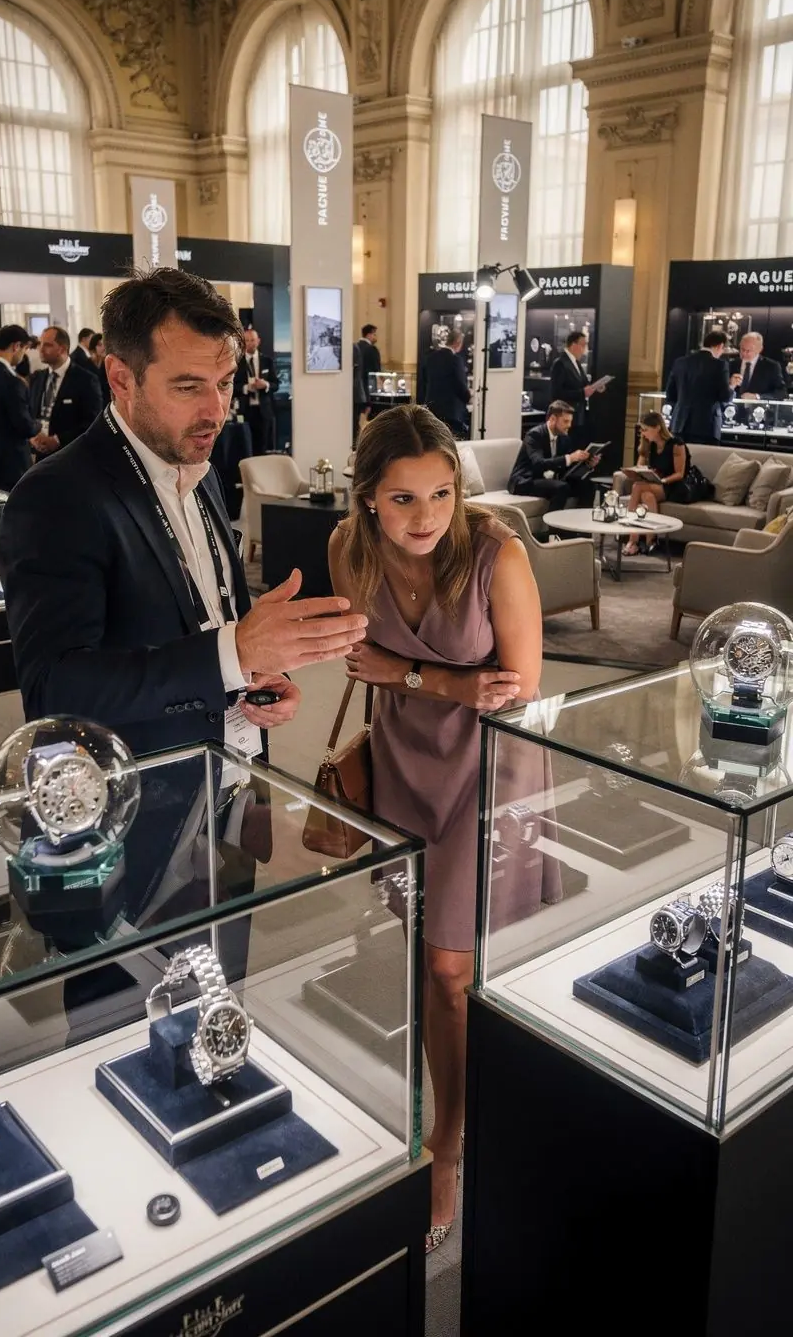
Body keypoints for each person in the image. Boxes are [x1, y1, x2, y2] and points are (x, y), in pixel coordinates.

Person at [328, 404, 542, 1252]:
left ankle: (445, 1150)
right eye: (403, 499)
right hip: (404, 759)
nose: (426, 517)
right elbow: (359, 660)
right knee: (427, 953)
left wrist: (411, 673)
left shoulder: (496, 552)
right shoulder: (348, 550)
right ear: (368, 499)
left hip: (488, 766)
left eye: (442, 494)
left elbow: (518, 685)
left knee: (452, 968)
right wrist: (431, 680)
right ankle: (456, 1098)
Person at [0, 267, 367, 757]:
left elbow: (208, 620)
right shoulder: (56, 496)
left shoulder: (202, 469)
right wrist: (233, 652)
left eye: (225, 383)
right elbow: (54, 689)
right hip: (140, 788)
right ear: (121, 379)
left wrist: (256, 671)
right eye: (188, 387)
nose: (216, 411)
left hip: (236, 769)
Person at [0, 324, 40, 491]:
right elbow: (24, 426)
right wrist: (39, 425)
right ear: (16, 346)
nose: (23, 355)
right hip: (10, 466)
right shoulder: (12, 382)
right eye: (24, 349)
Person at [622, 410, 690, 556]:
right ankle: (650, 541)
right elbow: (640, 466)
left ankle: (633, 540)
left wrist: (662, 481)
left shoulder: (676, 444)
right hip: (655, 485)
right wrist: (637, 471)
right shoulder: (650, 444)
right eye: (642, 430)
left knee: (637, 487)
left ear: (658, 427)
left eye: (646, 430)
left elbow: (679, 474)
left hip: (674, 485)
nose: (643, 433)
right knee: (647, 496)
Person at [508, 400, 598, 511]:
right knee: (561, 487)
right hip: (525, 481)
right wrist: (570, 457)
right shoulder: (534, 435)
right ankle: (552, 522)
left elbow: (566, 466)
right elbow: (539, 463)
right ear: (553, 419)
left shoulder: (564, 438)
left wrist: (587, 464)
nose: (569, 425)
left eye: (570, 422)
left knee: (587, 485)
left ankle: (579, 521)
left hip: (548, 480)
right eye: (565, 421)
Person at [29, 324, 103, 457]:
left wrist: (58, 440)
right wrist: (33, 436)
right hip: (40, 455)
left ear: (62, 349)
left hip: (70, 455)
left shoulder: (86, 380)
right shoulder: (37, 378)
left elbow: (93, 422)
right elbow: (30, 412)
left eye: (47, 345)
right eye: (40, 344)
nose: (41, 349)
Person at [665, 328, 732, 445]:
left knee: (679, 456)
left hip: (679, 424)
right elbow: (725, 397)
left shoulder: (680, 362)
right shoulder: (720, 365)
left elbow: (670, 395)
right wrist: (732, 386)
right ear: (720, 346)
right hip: (707, 426)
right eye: (723, 350)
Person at [548, 331, 608, 430]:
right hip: (565, 417)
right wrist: (582, 393)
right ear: (573, 345)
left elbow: (583, 383)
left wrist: (595, 387)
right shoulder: (560, 363)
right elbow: (556, 393)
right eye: (583, 345)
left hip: (578, 416)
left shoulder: (576, 362)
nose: (585, 349)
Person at [235, 325, 278, 455]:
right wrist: (246, 387)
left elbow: (276, 384)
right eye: (247, 340)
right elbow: (232, 386)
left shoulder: (267, 361)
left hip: (264, 411)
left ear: (258, 341)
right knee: (246, 447)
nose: (250, 343)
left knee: (263, 447)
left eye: (252, 340)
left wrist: (266, 385)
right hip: (245, 411)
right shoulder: (237, 363)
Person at [424, 329, 470, 439]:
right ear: (458, 342)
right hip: (451, 412)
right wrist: (468, 397)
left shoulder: (431, 358)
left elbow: (425, 380)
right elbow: (460, 385)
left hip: (432, 409)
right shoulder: (455, 360)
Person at [731, 332, 786, 401]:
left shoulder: (771, 366)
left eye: (748, 351)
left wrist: (757, 396)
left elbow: (781, 392)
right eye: (742, 349)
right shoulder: (732, 364)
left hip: (759, 406)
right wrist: (730, 385)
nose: (744, 353)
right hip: (732, 406)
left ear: (760, 349)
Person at [352, 340, 369, 447]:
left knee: (353, 424)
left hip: (354, 394)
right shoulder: (354, 347)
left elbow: (356, 375)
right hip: (354, 394)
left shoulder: (353, 348)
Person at [358, 323, 382, 397]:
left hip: (357, 384)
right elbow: (377, 368)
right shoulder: (371, 349)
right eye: (374, 334)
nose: (376, 337)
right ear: (368, 335)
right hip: (369, 382)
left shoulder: (356, 347)